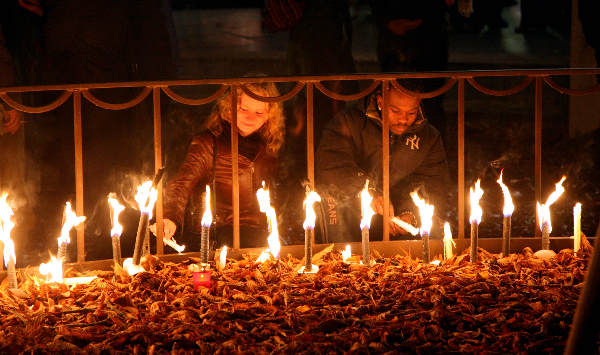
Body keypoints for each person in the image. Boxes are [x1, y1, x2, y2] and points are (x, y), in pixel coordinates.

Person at [316, 81, 449, 242]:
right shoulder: (349, 122)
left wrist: (410, 213)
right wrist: (368, 190)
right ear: (380, 101)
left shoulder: (428, 138)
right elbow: (332, 163)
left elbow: (433, 182)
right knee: (329, 198)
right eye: (395, 111)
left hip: (395, 214)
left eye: (412, 113)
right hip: (350, 207)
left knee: (431, 225)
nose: (403, 119)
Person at [157, 82, 285, 249]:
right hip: (220, 236)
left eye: (259, 112)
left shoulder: (269, 146)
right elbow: (182, 183)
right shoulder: (209, 143)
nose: (250, 118)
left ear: (270, 115)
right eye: (243, 109)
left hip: (261, 236)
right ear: (230, 107)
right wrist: (170, 217)